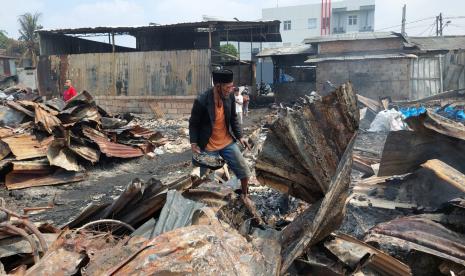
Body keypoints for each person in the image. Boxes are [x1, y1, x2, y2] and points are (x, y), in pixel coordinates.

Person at [189, 69, 252, 201]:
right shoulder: (202, 101)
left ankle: (245, 197)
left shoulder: (229, 97)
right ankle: (208, 206)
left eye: (232, 86)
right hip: (208, 146)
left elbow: (234, 118)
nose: (231, 89)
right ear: (218, 86)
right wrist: (193, 143)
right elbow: (194, 123)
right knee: (206, 181)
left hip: (227, 142)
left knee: (244, 171)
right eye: (228, 87)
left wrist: (240, 136)